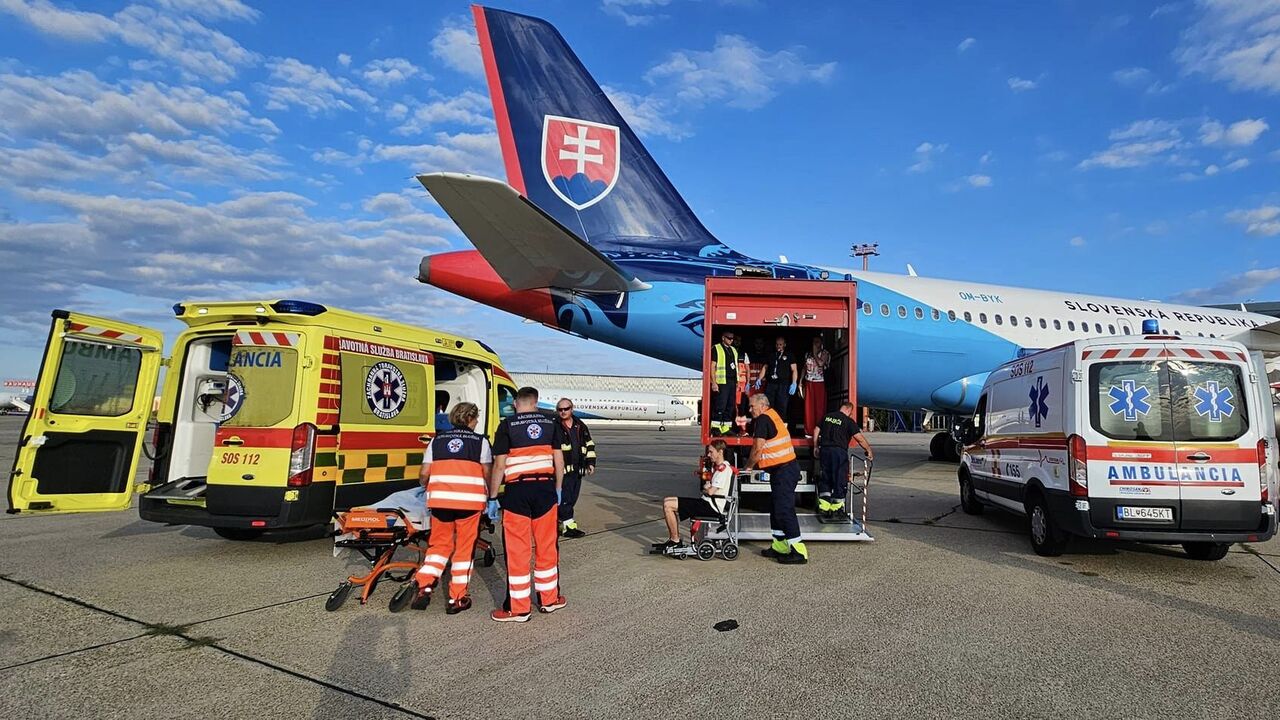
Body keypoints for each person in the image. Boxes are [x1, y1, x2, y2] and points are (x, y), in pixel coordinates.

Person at [488, 386, 567, 623]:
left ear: (515, 403)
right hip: (545, 490)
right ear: (536, 402)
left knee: (518, 550)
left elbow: (499, 465)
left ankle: (519, 608)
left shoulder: (507, 425)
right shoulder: (551, 423)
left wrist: (492, 498)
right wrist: (559, 488)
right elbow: (559, 459)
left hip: (517, 492)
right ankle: (549, 600)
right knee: (547, 547)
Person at [406, 402, 491, 614]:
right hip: (468, 504)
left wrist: (427, 487)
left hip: (440, 502)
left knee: (438, 546)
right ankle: (457, 598)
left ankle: (424, 585)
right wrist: (492, 496)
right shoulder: (480, 442)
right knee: (463, 549)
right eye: (476, 419)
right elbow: (487, 473)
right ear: (471, 420)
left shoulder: (436, 441)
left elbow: (424, 473)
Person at [747, 393, 808, 564]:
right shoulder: (772, 416)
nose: (749, 409)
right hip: (783, 470)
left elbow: (757, 450)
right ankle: (779, 545)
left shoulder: (763, 420)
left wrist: (749, 467)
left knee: (784, 509)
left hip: (785, 470)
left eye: (752, 406)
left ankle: (799, 551)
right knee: (775, 508)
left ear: (762, 405)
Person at [657, 439, 734, 551]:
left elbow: (711, 491)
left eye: (711, 452)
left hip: (711, 507)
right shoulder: (719, 468)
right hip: (707, 503)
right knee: (667, 500)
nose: (708, 454)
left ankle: (675, 540)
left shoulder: (723, 470)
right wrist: (707, 487)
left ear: (720, 452)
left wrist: (706, 488)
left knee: (668, 505)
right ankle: (674, 539)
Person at [813, 402, 873, 518]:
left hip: (825, 450)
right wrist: (868, 450)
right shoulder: (848, 421)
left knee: (826, 477)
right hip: (838, 453)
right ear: (849, 411)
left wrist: (815, 446)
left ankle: (824, 508)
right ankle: (836, 509)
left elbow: (816, 430)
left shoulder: (827, 417)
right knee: (840, 479)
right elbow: (859, 439)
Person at [554, 397, 596, 539]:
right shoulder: (555, 426)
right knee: (565, 499)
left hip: (578, 469)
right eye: (560, 410)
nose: (563, 412)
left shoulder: (580, 425)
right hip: (563, 471)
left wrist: (590, 462)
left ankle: (560, 523)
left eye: (566, 409)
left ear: (572, 409)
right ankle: (569, 527)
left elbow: (589, 444)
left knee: (572, 498)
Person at [756, 336, 798, 426]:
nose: (779, 346)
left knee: (782, 406)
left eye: (781, 344)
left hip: (783, 385)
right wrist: (759, 378)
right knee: (768, 405)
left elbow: (794, 370)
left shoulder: (789, 355)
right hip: (771, 385)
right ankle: (768, 424)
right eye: (777, 344)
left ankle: (782, 426)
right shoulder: (771, 355)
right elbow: (765, 367)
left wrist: (794, 383)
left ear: (784, 345)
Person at [709, 330, 740, 434]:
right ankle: (715, 426)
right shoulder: (716, 348)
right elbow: (712, 366)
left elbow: (736, 367)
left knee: (730, 405)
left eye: (732, 338)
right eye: (728, 338)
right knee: (720, 404)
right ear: (723, 338)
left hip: (732, 381)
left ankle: (726, 427)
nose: (731, 340)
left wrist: (737, 381)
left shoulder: (734, 350)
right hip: (722, 381)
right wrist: (713, 382)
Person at [803, 336, 831, 437]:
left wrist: (815, 353)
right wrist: (800, 382)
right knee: (808, 407)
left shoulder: (825, 353)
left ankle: (819, 430)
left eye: (817, 342)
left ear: (821, 343)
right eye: (814, 342)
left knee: (819, 407)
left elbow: (820, 363)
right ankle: (809, 430)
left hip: (820, 382)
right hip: (809, 381)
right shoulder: (808, 354)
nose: (815, 344)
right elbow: (804, 367)